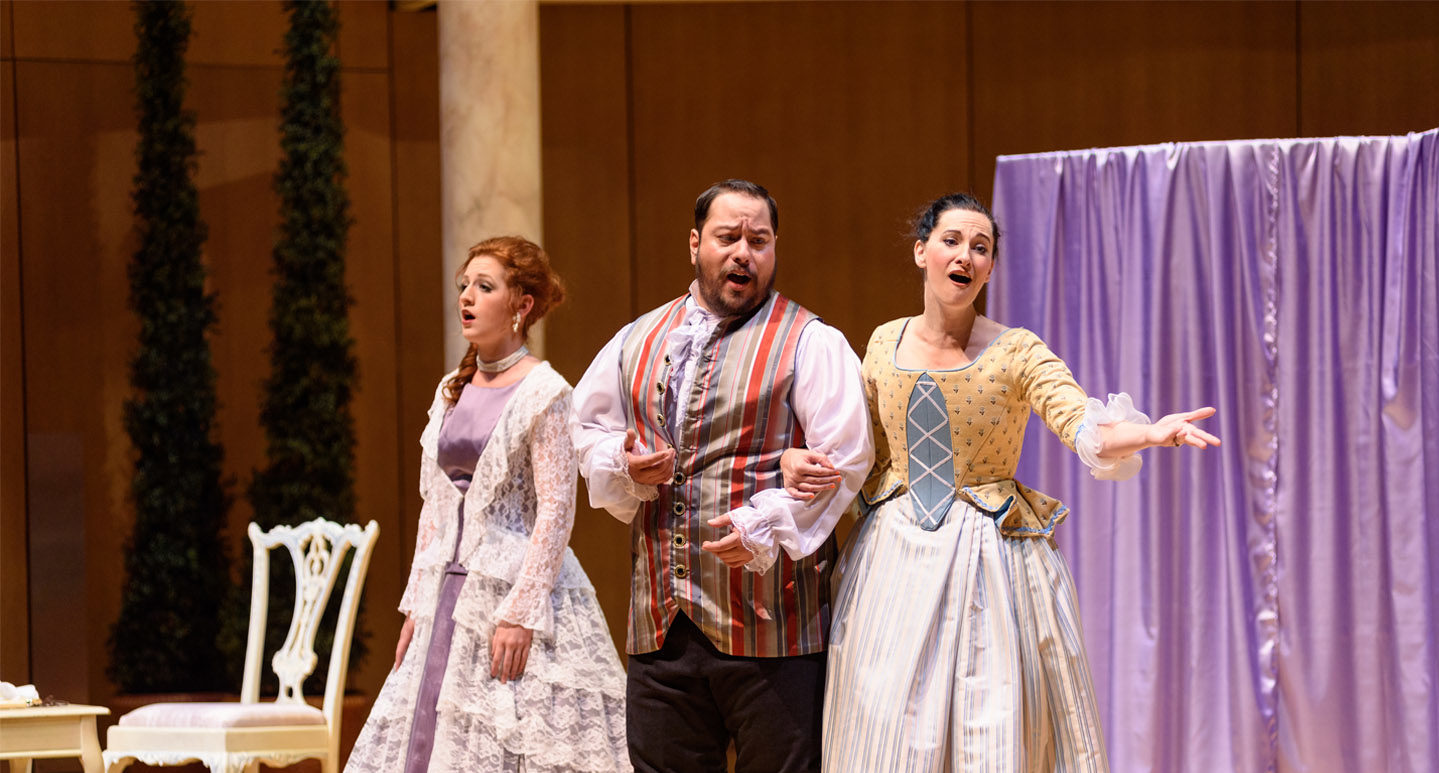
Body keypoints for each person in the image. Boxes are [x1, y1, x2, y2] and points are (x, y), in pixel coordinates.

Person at [783, 193, 1220, 772]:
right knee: (883, 726)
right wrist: (796, 461)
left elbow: (1079, 421)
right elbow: (853, 449)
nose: (966, 255)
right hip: (892, 559)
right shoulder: (883, 344)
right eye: (952, 241)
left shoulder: (1016, 351)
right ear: (922, 252)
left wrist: (1146, 434)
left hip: (988, 558)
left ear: (989, 267)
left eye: (981, 247)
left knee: (989, 719)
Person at [570, 179, 874, 772]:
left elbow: (845, 460)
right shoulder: (639, 338)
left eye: (758, 240)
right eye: (727, 237)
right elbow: (586, 432)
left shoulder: (809, 341)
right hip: (662, 630)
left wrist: (766, 523)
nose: (743, 253)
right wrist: (624, 465)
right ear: (694, 244)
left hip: (775, 635)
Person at [346, 236, 630, 773]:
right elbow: (434, 507)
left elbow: (555, 512)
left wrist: (521, 613)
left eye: (484, 286)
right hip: (445, 593)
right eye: (463, 287)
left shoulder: (545, 392)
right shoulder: (452, 388)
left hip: (509, 592)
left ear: (522, 304)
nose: (467, 298)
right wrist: (415, 604)